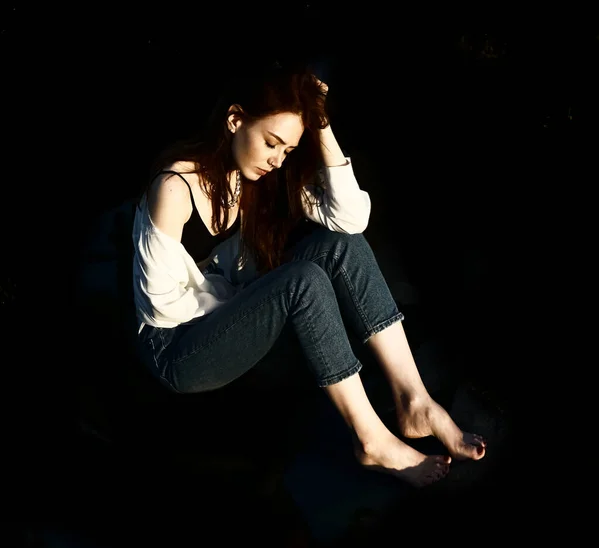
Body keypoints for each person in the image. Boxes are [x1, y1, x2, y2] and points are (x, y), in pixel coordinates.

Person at [131, 60, 486, 489]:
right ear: (234, 120)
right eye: (271, 143)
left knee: (341, 246)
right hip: (176, 349)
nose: (277, 161)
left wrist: (321, 124)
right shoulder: (174, 188)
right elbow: (160, 306)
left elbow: (351, 220)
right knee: (302, 280)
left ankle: (415, 400)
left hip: (232, 314)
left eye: (288, 150)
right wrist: (257, 294)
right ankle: (371, 438)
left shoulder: (258, 180)